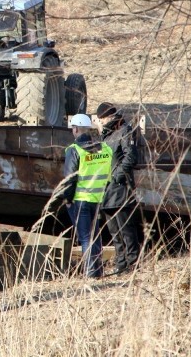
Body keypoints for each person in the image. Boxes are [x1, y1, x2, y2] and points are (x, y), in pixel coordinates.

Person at [61, 113, 113, 278]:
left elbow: (69, 179)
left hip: (81, 200)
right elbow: (108, 174)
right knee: (95, 237)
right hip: (98, 200)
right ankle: (98, 272)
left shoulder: (74, 150)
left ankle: (91, 275)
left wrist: (67, 200)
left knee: (85, 238)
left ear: (75, 129)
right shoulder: (105, 148)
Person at [96, 102, 142, 275]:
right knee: (114, 230)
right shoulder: (106, 137)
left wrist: (117, 177)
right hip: (106, 191)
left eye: (100, 120)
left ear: (107, 118)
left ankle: (133, 264)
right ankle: (121, 264)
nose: (99, 123)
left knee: (126, 228)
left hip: (120, 188)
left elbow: (131, 157)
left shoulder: (124, 130)